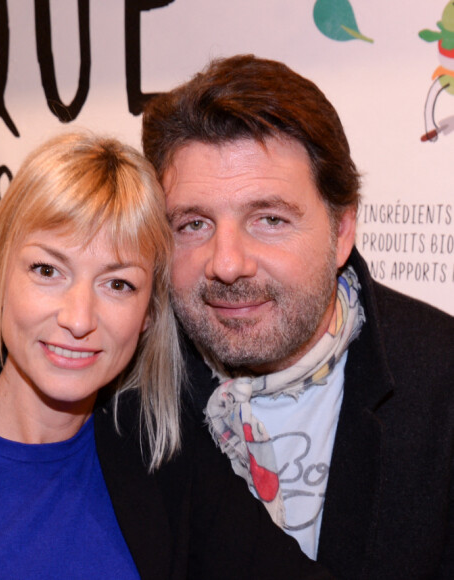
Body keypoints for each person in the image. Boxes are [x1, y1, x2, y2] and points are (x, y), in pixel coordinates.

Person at [0, 132, 331, 579]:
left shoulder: (168, 457)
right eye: (47, 270)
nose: (78, 318)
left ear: (149, 313)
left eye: (118, 284)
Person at [141, 55, 454, 579]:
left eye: (268, 219)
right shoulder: (119, 391)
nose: (226, 263)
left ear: (342, 230)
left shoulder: (442, 385)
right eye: (193, 224)